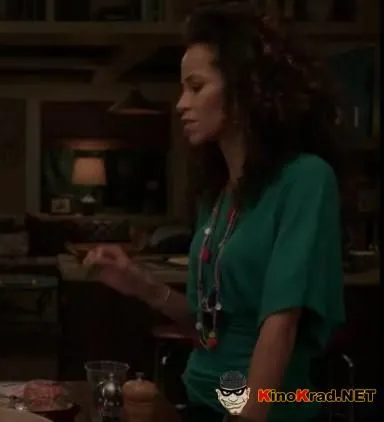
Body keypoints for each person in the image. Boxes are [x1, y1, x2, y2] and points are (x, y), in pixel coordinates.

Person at [85, 3, 346, 422]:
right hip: (202, 401)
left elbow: (280, 325)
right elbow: (209, 328)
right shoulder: (218, 195)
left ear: (244, 91)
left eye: (196, 87)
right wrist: (138, 282)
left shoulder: (305, 179)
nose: (180, 104)